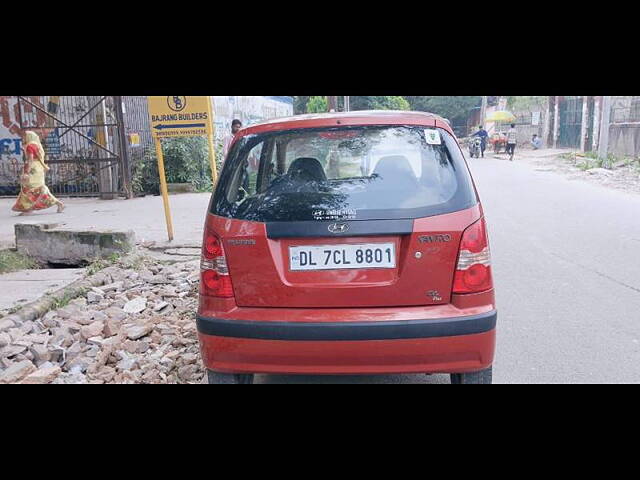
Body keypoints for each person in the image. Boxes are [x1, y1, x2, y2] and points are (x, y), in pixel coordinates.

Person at [12, 131, 64, 215]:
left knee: (31, 189)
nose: (23, 138)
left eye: (25, 136)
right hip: (39, 168)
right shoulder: (38, 146)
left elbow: (30, 160)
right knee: (36, 189)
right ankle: (58, 204)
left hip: (33, 169)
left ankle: (29, 209)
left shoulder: (29, 146)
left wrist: (27, 172)